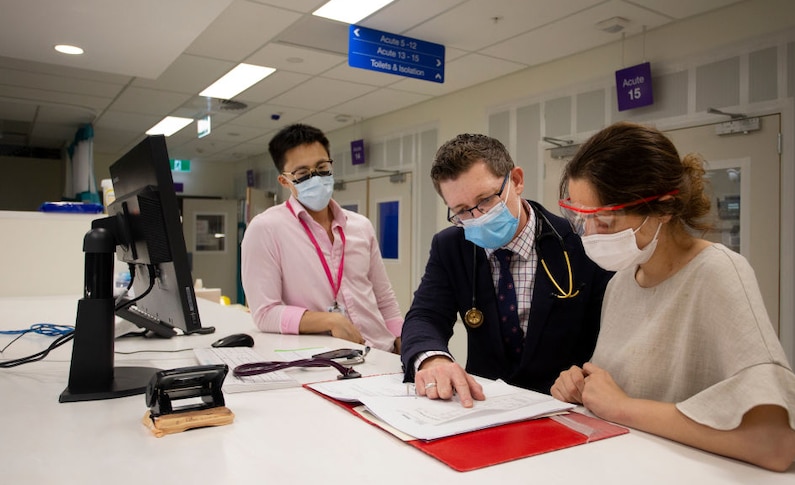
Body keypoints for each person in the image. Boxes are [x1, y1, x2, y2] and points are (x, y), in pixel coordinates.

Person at [551, 121, 795, 471]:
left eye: (607, 221)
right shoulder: (622, 283)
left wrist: (620, 407)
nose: (592, 236)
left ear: (664, 207)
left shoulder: (717, 272)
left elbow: (775, 442)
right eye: (583, 219)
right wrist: (583, 388)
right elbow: (622, 390)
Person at [400, 133, 611, 407]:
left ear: (517, 180)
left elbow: (611, 333)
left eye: (486, 200)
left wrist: (587, 377)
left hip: (565, 408)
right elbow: (425, 315)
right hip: (484, 405)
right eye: (462, 210)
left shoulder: (579, 241)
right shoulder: (451, 246)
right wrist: (433, 359)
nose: (478, 217)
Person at [241, 123, 403, 352]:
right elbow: (265, 313)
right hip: (328, 361)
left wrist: (402, 340)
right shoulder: (265, 229)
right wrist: (328, 320)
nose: (316, 178)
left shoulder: (360, 226)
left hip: (382, 351)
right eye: (303, 173)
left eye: (322, 167)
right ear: (285, 181)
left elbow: (384, 298)